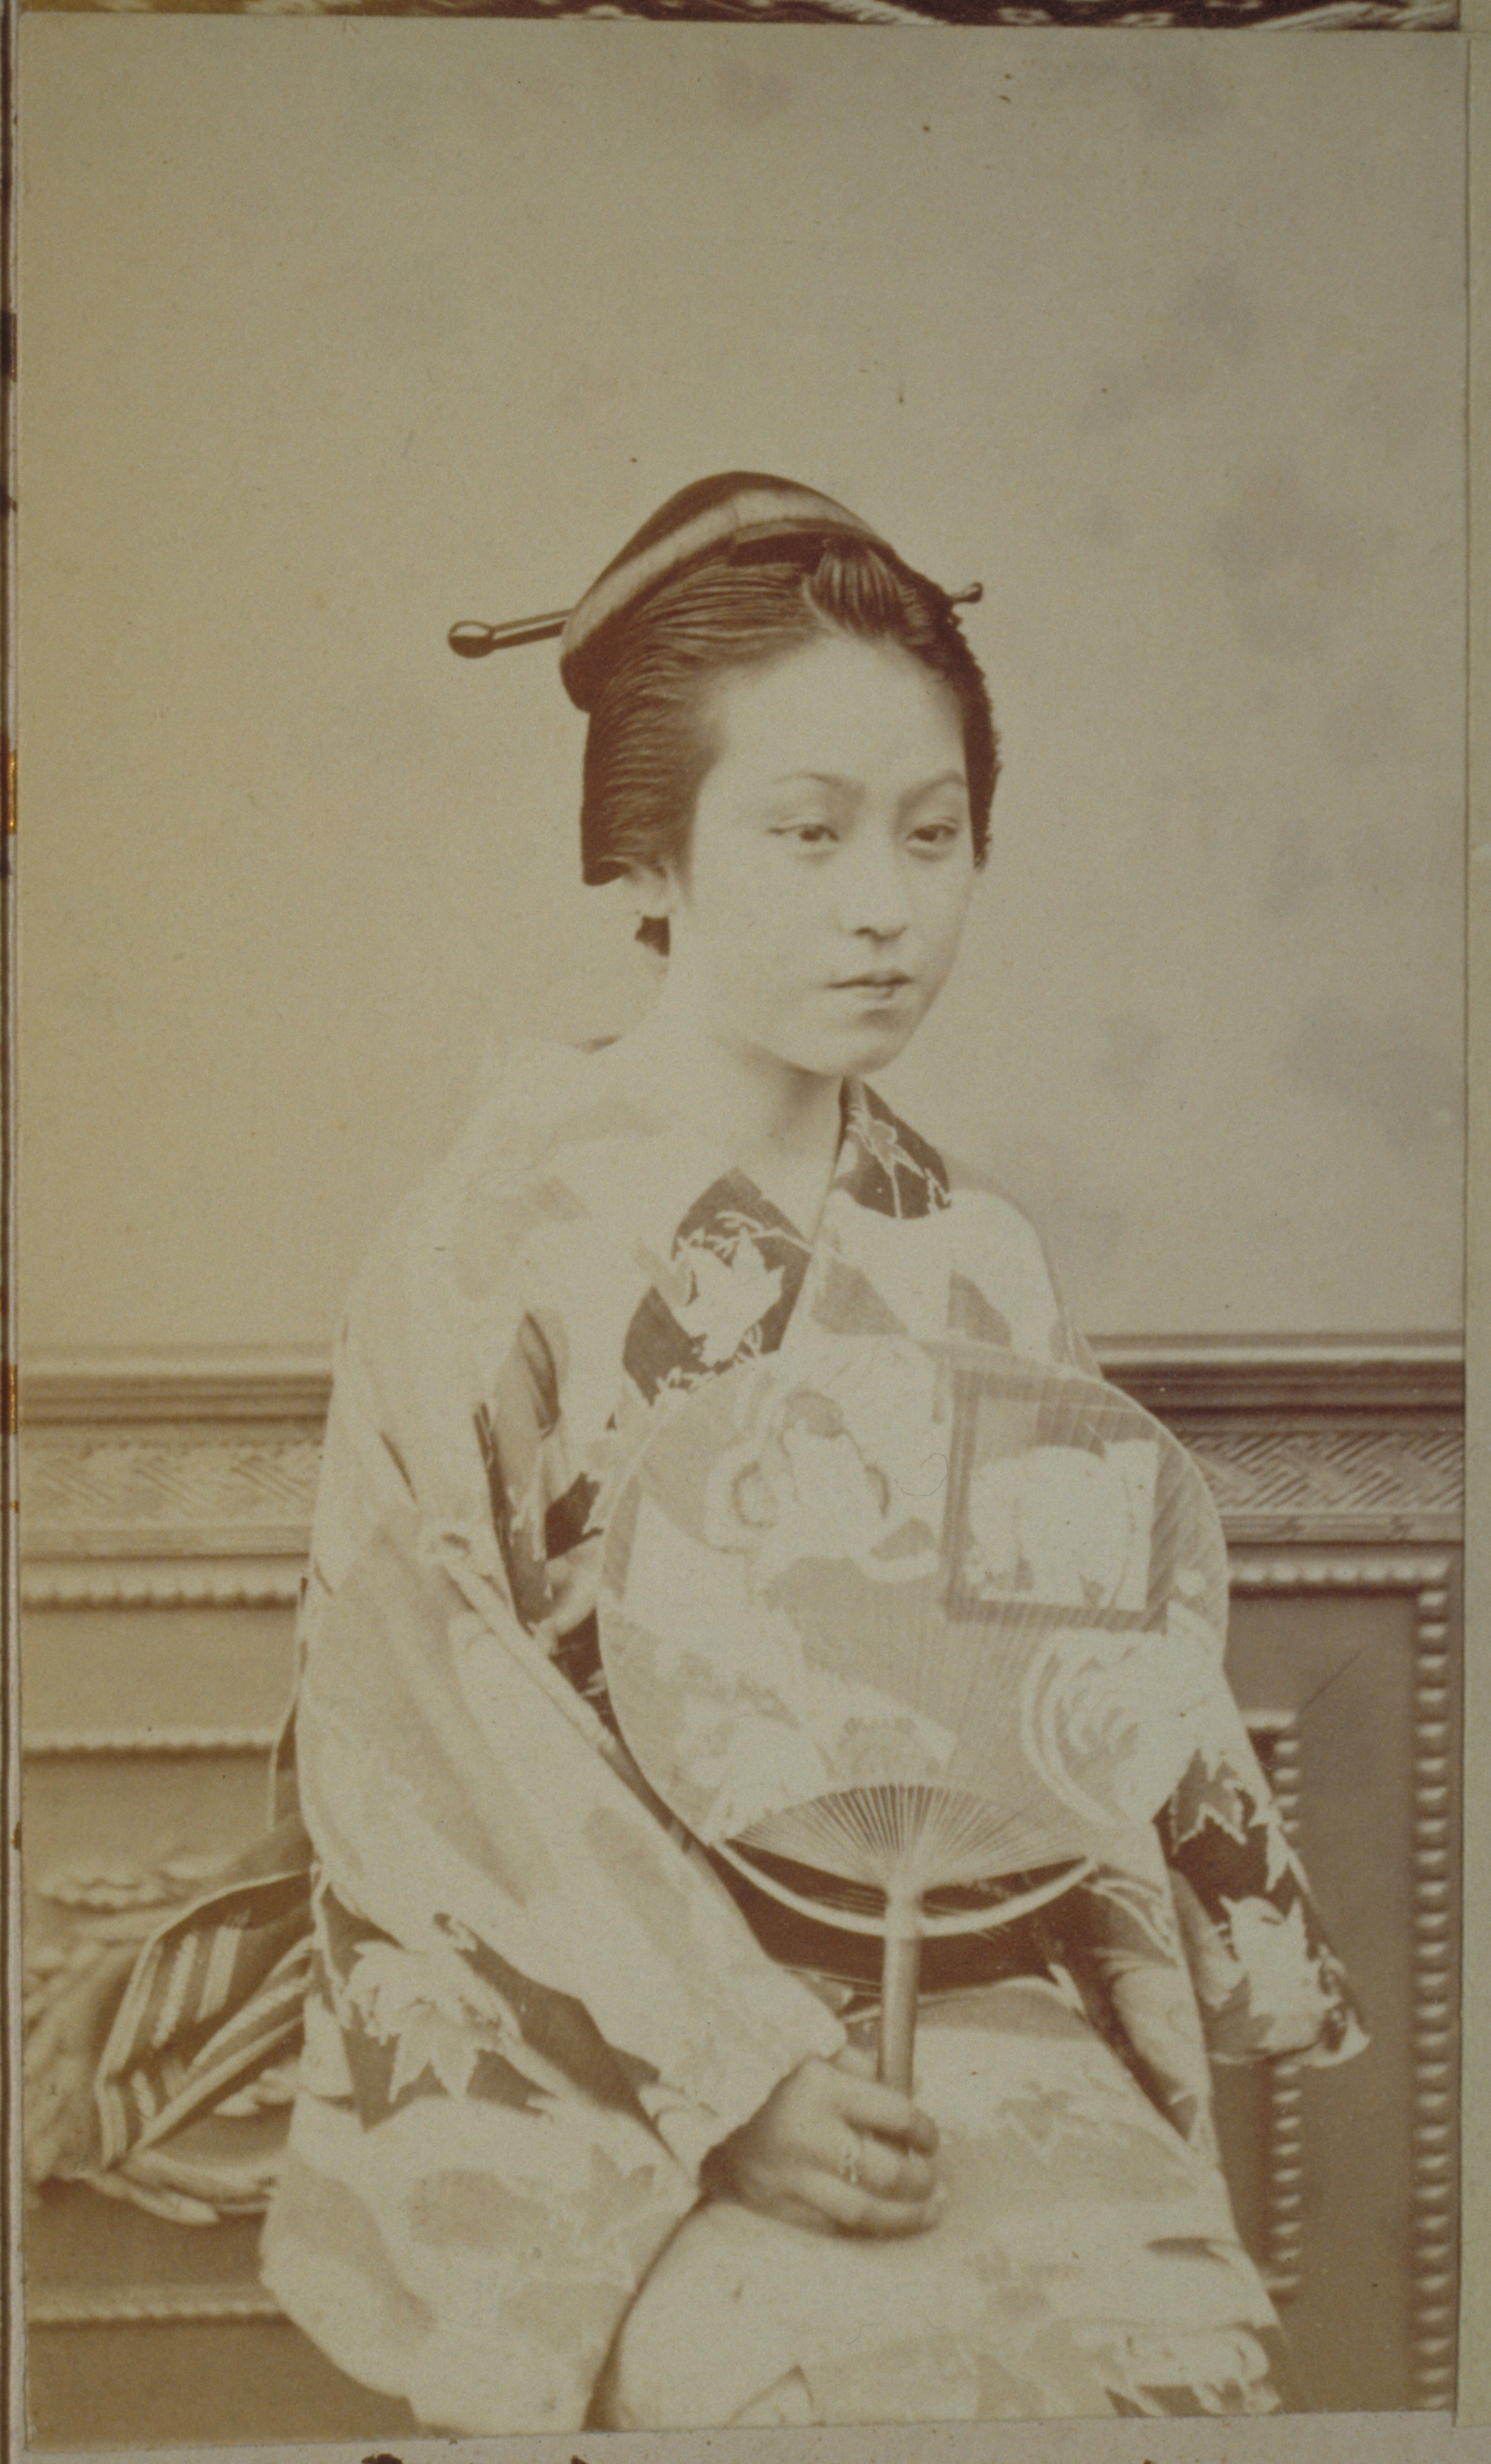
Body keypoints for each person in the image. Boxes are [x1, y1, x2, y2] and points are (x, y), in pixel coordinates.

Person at [29, 475, 1365, 2432]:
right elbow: (432, 1733)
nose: (886, 905)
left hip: (954, 1992)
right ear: (647, 860)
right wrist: (728, 2076)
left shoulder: (971, 1252)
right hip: (587, 2056)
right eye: (806, 835)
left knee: (1145, 2352)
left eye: (938, 835)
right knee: (825, 2385)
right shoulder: (486, 1244)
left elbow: (1084, 1674)